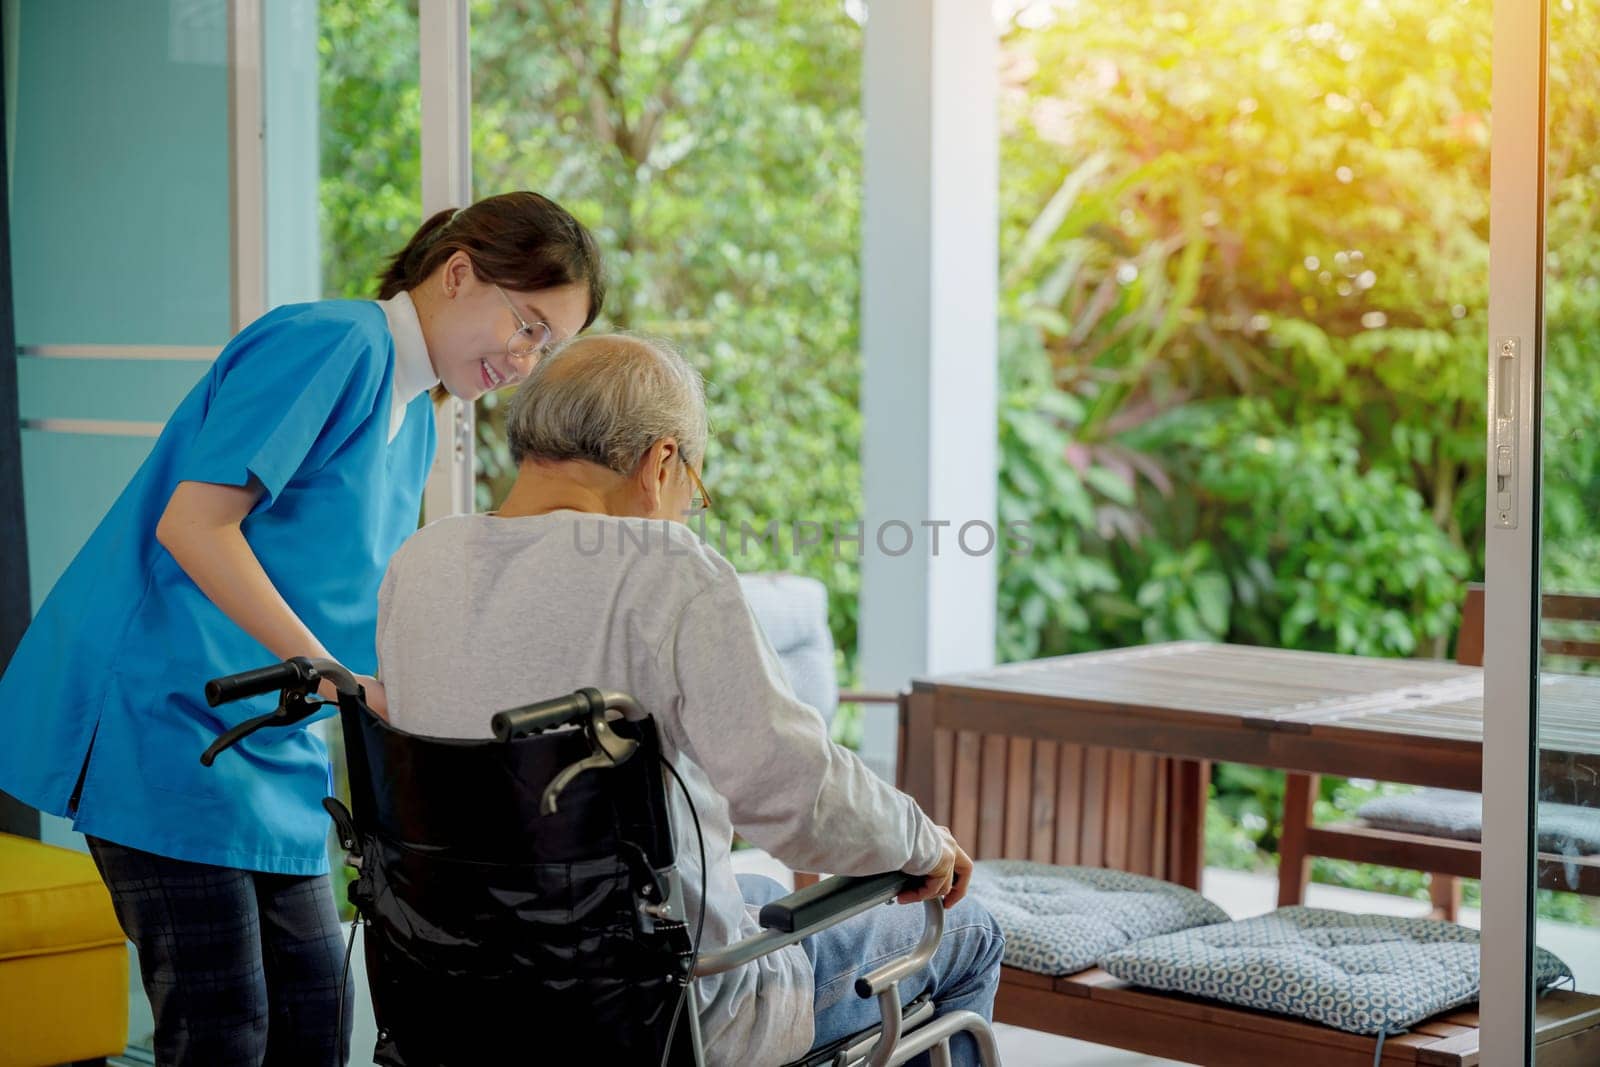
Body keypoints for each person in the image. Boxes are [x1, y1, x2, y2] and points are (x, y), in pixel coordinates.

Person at [0, 191, 605, 1066]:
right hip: (166, 721)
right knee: (225, 1031)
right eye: (527, 324)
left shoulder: (415, 424)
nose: (524, 358)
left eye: (547, 346)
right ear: (460, 271)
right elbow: (194, 524)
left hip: (273, 751)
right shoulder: (336, 342)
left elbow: (353, 602)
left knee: (315, 1024)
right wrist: (333, 672)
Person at [376, 334, 1005, 1067]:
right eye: (689, 493)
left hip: (459, 1001)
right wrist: (922, 838)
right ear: (662, 461)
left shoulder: (420, 564)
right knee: (968, 933)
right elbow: (792, 796)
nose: (682, 513)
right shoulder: (666, 570)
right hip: (663, 1015)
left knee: (758, 881)